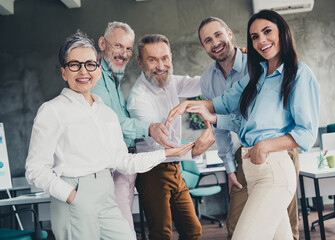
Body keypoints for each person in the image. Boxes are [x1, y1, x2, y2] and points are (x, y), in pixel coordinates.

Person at [25, 30, 194, 240]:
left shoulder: (106, 112)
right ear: (64, 72)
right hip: (75, 196)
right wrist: (73, 196)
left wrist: (166, 154)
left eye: (90, 64)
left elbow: (122, 161)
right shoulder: (52, 110)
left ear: (97, 70)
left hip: (107, 193)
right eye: (74, 65)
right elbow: (35, 170)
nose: (83, 71)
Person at [166, 10, 320, 239]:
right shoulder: (256, 75)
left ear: (283, 32)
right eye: (255, 37)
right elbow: (229, 106)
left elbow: (306, 133)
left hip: (273, 166)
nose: (262, 40)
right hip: (252, 166)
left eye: (267, 32)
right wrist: (200, 109)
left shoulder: (297, 73)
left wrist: (265, 146)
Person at [198, 17, 300, 239]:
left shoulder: (256, 63)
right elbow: (221, 125)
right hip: (243, 152)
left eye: (218, 35)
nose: (215, 42)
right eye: (207, 40)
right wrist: (229, 167)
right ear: (204, 47)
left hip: (278, 147)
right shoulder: (207, 80)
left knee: (285, 220)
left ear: (229, 34)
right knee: (235, 222)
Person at [127, 34, 215, 240]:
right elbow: (160, 148)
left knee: (193, 230)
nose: (161, 65)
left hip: (175, 169)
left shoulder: (171, 82)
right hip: (153, 172)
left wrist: (235, 58)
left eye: (165, 58)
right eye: (152, 59)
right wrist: (193, 151)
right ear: (140, 62)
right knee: (162, 234)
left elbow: (205, 83)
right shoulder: (138, 99)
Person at [92, 22, 176, 229]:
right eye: (118, 46)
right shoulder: (95, 78)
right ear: (102, 44)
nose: (123, 53)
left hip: (126, 165)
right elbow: (112, 123)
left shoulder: (114, 78)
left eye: (128, 48)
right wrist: (149, 127)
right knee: (122, 229)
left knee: (124, 227)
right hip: (113, 166)